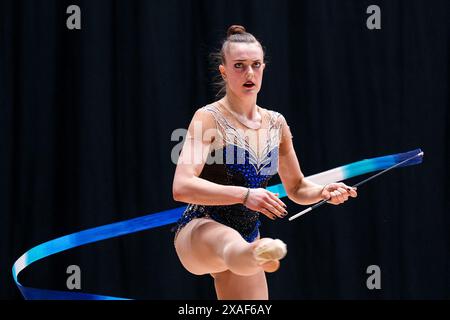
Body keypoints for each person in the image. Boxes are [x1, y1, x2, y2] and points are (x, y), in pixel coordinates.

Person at [172, 25, 357, 300]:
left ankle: (257, 255)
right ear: (224, 71)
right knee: (230, 246)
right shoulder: (208, 118)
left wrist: (322, 192)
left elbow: (296, 187)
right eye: (239, 66)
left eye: (255, 65)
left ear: (263, 68)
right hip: (201, 228)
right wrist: (245, 195)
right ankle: (256, 255)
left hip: (250, 235)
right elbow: (182, 187)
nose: (249, 73)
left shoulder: (276, 123)